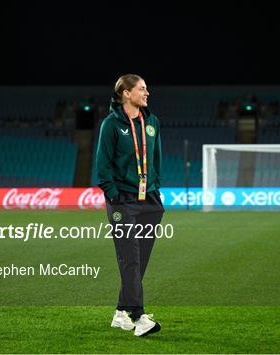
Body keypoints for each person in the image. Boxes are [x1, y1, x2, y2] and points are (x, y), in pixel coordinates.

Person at [96, 74, 164, 337]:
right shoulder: (111, 125)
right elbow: (103, 165)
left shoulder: (153, 122)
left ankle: (120, 312)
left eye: (147, 88)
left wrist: (155, 190)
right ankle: (138, 317)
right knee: (131, 258)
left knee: (139, 260)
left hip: (149, 201)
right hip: (122, 200)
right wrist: (113, 195)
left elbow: (155, 159)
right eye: (142, 89)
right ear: (126, 93)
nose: (147, 93)